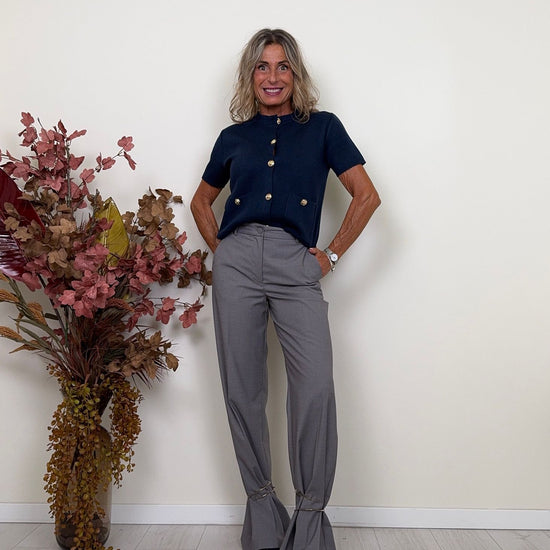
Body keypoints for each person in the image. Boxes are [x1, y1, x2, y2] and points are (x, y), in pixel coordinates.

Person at [191, 28, 381, 550]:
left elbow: (366, 196)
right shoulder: (233, 138)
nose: (272, 77)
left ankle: (310, 521)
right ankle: (262, 516)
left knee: (315, 387)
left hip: (296, 263)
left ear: (296, 75)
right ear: (249, 76)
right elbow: (201, 201)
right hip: (236, 265)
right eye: (262, 66)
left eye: (282, 67)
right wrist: (223, 250)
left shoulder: (323, 128)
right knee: (243, 389)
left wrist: (330, 255)